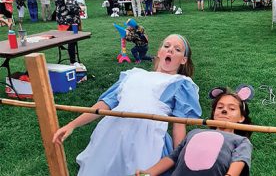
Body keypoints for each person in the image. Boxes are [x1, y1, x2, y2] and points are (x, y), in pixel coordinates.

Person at [52, 34, 202, 176]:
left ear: (183, 60)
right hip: (112, 134)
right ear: (159, 52)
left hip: (147, 142)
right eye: (166, 46)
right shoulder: (133, 74)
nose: (170, 49)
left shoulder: (181, 83)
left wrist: (179, 159)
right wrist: (72, 125)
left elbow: (179, 124)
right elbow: (103, 105)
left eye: (177, 49)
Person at [136, 85, 254, 176]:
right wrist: (148, 173)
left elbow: (239, 161)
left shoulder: (241, 141)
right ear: (213, 113)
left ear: (241, 118)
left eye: (232, 108)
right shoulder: (194, 132)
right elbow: (172, 158)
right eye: (220, 107)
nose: (224, 111)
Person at [53, 0, 82, 67]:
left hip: (62, 22)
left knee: (70, 42)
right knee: (72, 42)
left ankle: (73, 61)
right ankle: (73, 62)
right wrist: (79, 8)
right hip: (70, 22)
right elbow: (71, 7)